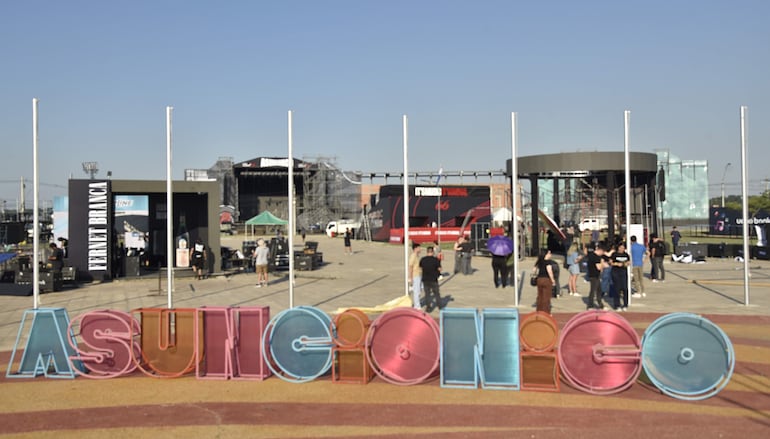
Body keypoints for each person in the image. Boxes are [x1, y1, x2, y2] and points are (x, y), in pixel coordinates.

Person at [419, 246, 443, 313]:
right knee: (436, 293)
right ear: (433, 252)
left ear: (427, 252)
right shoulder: (436, 260)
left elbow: (420, 268)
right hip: (433, 279)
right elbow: (440, 269)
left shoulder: (423, 259)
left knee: (427, 294)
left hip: (425, 279)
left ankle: (428, 307)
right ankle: (440, 306)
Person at [587, 244, 609, 310]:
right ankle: (590, 305)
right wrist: (603, 264)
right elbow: (599, 267)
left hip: (596, 275)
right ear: (601, 250)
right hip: (594, 275)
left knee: (599, 290)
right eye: (603, 252)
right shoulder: (595, 257)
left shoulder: (592, 255)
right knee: (593, 290)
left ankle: (600, 305)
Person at [533, 249, 556, 313]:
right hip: (546, 279)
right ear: (546, 254)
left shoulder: (539, 261)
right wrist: (553, 280)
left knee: (540, 296)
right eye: (549, 253)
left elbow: (534, 269)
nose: (550, 255)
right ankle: (546, 311)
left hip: (539, 279)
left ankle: (539, 310)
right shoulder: (548, 262)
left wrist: (535, 275)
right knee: (546, 296)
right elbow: (549, 271)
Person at [610, 242, 630, 311]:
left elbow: (628, 262)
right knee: (617, 289)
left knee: (625, 288)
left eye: (623, 248)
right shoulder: (614, 254)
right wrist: (616, 264)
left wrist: (625, 264)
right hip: (616, 272)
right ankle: (617, 305)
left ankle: (625, 304)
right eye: (621, 247)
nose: (622, 249)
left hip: (623, 272)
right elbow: (611, 262)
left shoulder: (626, 255)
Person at [408, 242, 423, 308]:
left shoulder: (417, 256)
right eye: (419, 248)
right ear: (415, 248)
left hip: (419, 274)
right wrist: (410, 277)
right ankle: (417, 306)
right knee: (416, 291)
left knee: (419, 290)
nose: (420, 249)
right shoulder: (413, 256)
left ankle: (417, 303)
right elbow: (410, 266)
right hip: (415, 275)